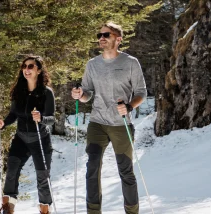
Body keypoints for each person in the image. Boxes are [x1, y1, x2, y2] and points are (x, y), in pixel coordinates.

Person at [71, 22, 147, 214]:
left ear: (118, 39)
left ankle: (132, 211)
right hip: (98, 123)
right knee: (92, 168)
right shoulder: (92, 64)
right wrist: (80, 95)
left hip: (121, 124)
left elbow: (141, 92)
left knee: (126, 171)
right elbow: (88, 93)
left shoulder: (130, 62)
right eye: (100, 35)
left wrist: (130, 106)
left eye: (106, 34)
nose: (102, 38)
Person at [0, 55, 55, 214]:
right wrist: (3, 123)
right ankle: (8, 208)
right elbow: (13, 114)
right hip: (21, 138)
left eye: (31, 67)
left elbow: (51, 119)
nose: (26, 70)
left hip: (40, 139)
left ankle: (45, 209)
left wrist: (41, 118)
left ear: (39, 70)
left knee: (42, 177)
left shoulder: (46, 93)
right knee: (11, 171)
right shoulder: (18, 91)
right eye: (24, 66)